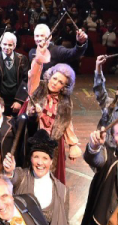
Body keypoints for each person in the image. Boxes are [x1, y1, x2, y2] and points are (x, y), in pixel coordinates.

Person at [3, 130, 71, 225]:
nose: (40, 162)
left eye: (45, 158)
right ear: (31, 158)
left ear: (51, 161)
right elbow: (12, 178)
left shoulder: (62, 191)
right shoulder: (22, 176)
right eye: (36, 157)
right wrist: (9, 171)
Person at [24, 54, 83, 183]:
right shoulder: (38, 87)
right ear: (50, 76)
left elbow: (67, 122)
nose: (55, 83)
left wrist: (72, 144)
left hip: (53, 142)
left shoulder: (65, 101)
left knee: (49, 175)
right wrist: (38, 61)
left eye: (60, 82)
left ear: (64, 87)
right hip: (33, 136)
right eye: (54, 78)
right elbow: (33, 76)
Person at [0, 32, 29, 113]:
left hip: (15, 100)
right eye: (4, 44)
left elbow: (25, 80)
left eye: (10, 45)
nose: (7, 47)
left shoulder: (22, 59)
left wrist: (19, 100)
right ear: (0, 44)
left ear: (14, 46)